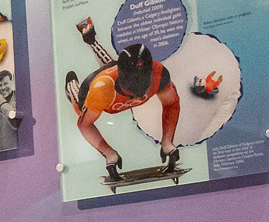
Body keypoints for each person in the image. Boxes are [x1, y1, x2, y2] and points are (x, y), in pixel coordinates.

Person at [63, 42, 181, 179]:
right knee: (79, 106)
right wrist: (109, 153)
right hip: (96, 89)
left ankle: (92, 40)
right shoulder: (100, 90)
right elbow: (85, 125)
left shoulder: (159, 73)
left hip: (114, 76)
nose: (137, 94)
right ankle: (72, 85)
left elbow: (171, 103)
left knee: (113, 65)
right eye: (132, 88)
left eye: (143, 85)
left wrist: (167, 141)